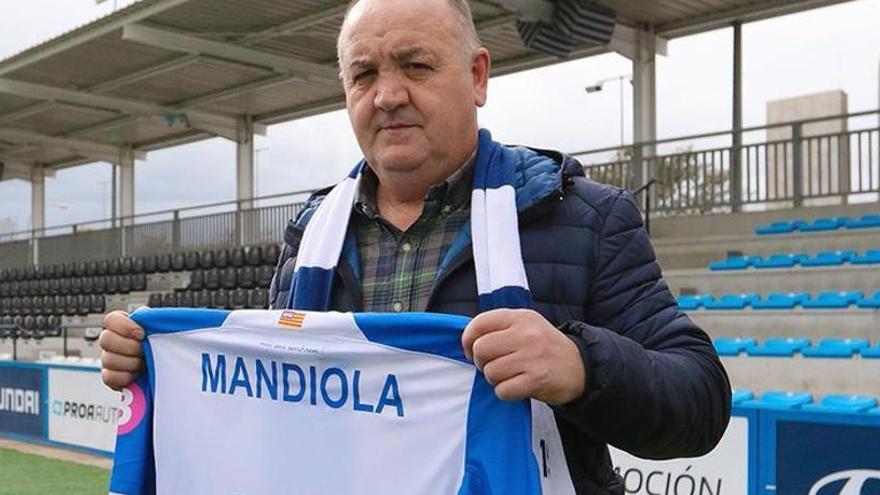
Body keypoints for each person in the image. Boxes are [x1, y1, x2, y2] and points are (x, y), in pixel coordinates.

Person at [100, 0, 731, 492]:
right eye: (364, 73)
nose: (388, 94)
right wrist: (155, 361)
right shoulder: (310, 235)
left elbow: (701, 402)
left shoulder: (587, 218)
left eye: (415, 64)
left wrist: (581, 367)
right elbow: (267, 405)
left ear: (478, 75)